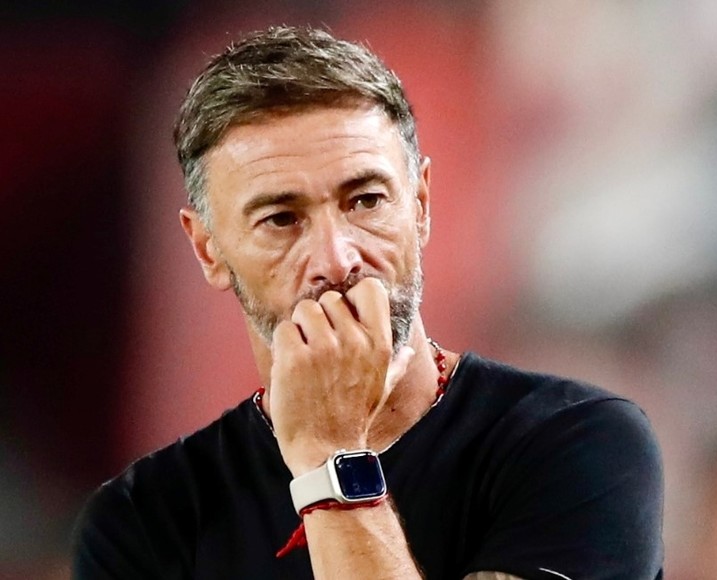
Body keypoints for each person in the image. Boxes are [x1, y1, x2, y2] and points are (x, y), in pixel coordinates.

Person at [72, 26, 664, 579]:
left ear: (421, 205)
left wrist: (331, 458)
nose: (337, 259)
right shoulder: (144, 522)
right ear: (208, 249)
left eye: (366, 201)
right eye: (281, 218)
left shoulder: (578, 444)